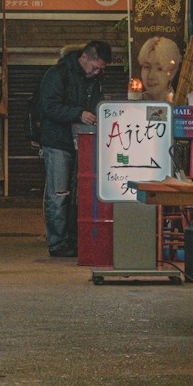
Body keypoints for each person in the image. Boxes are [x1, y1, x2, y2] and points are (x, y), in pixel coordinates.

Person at [39, 39, 111, 257]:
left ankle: (73, 238)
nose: (97, 72)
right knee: (59, 193)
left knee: (77, 194)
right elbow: (48, 106)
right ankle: (57, 242)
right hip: (58, 142)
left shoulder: (94, 80)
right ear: (84, 58)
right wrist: (78, 114)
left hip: (83, 143)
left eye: (101, 69)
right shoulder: (57, 74)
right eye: (95, 67)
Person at [137, 35, 181, 102]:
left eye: (159, 69)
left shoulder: (180, 103)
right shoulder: (136, 103)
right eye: (146, 67)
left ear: (172, 72)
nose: (150, 76)